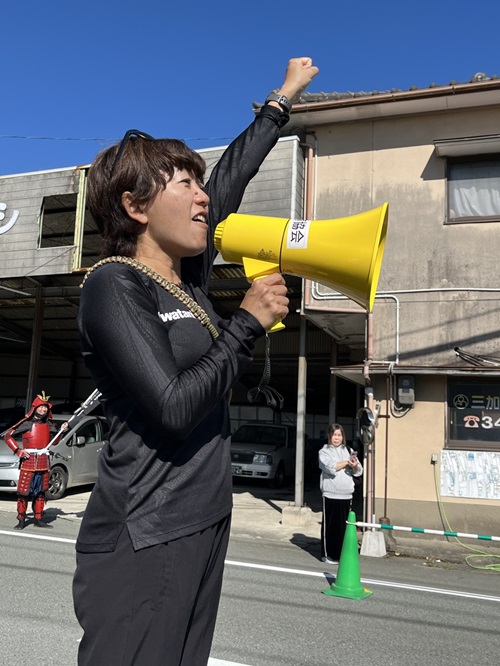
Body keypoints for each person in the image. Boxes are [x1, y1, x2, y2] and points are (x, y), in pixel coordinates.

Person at [72, 57, 319, 666]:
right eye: (184, 183)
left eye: (199, 183)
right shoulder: (115, 284)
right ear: (135, 207)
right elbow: (174, 406)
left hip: (205, 516)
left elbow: (232, 174)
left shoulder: (190, 280)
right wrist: (246, 324)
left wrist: (280, 102)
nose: (204, 195)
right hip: (145, 529)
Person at [4, 391, 68, 530]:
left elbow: (55, 442)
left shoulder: (49, 424)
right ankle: (21, 519)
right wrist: (18, 451)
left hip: (43, 461)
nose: (44, 409)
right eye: (41, 407)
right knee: (23, 492)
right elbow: (7, 436)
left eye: (46, 407)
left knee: (41, 491)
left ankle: (38, 518)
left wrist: (61, 431)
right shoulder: (26, 423)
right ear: (35, 407)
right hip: (29, 461)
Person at [318, 423, 362, 564]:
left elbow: (359, 471)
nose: (337, 438)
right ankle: (328, 555)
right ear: (329, 436)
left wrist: (354, 466)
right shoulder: (324, 452)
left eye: (339, 435)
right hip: (330, 494)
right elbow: (330, 467)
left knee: (344, 527)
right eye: (334, 435)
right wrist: (347, 462)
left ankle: (342, 555)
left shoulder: (348, 450)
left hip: (346, 494)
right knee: (330, 527)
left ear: (343, 436)